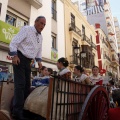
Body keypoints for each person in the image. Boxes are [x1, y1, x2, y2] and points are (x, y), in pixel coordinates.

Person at [9, 16, 46, 120]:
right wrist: (15, 56)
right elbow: (14, 41)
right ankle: (16, 111)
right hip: (20, 58)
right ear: (35, 22)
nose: (43, 26)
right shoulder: (27, 29)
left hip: (29, 62)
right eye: (41, 23)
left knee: (27, 86)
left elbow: (39, 50)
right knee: (20, 85)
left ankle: (24, 109)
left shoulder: (41, 37)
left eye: (44, 24)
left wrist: (39, 62)